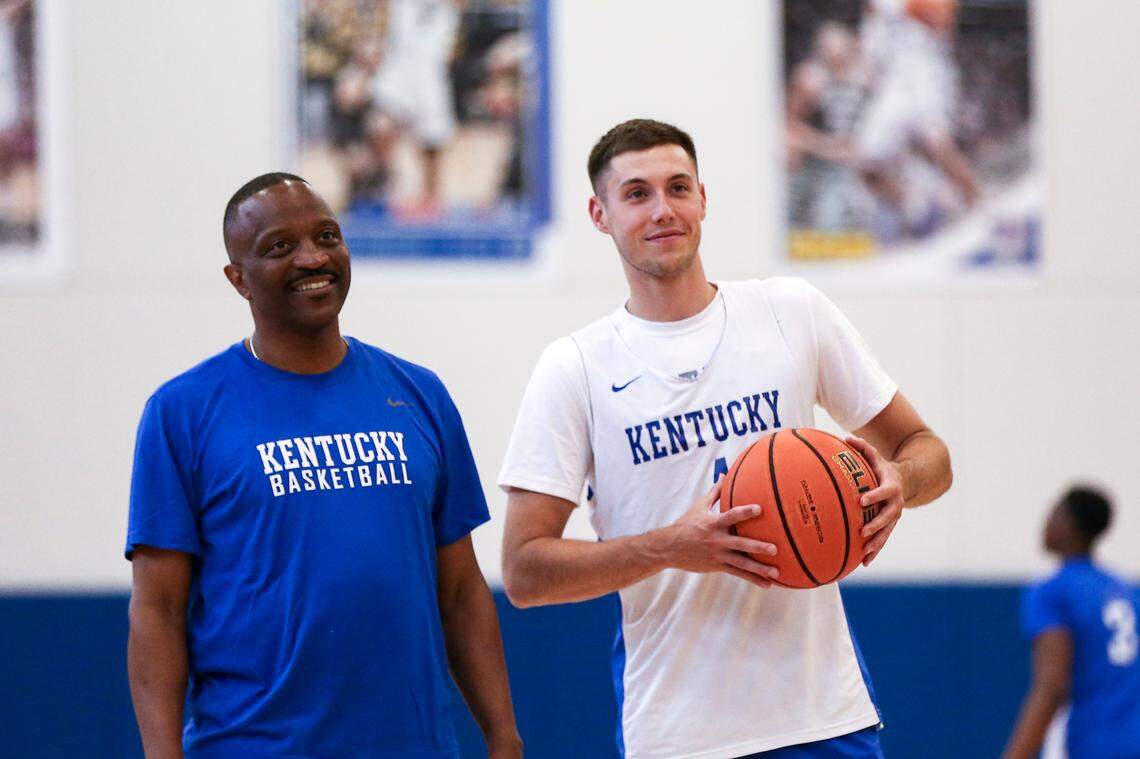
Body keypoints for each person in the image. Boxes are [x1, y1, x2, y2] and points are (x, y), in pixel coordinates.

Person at [498, 119, 952, 758]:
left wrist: (900, 481)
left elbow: (929, 450)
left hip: (824, 719)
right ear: (599, 214)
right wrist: (669, 546)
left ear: (703, 198)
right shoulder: (575, 367)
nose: (663, 210)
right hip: (679, 734)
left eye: (678, 187)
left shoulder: (790, 311)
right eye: (637, 194)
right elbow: (523, 572)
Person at [125, 172, 522, 759]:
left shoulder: (418, 393)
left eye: (328, 236)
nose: (313, 257)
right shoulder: (181, 412)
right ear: (239, 279)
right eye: (280, 247)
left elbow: (461, 590)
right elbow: (157, 611)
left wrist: (503, 735)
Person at [1002, 486, 1140, 759]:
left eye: (1055, 513)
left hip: (1091, 742)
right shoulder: (1126, 591)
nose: (1047, 521)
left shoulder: (1054, 591)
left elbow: (1051, 685)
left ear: (1070, 524)